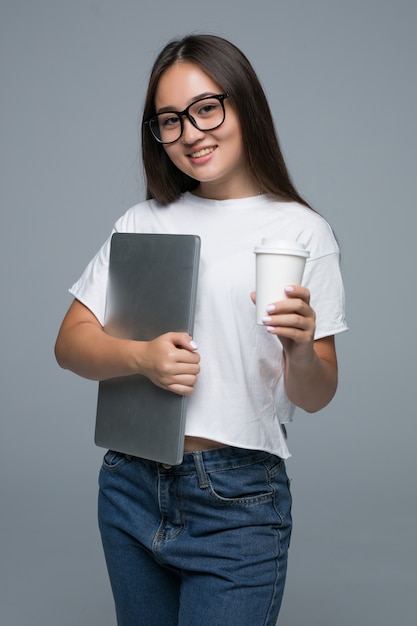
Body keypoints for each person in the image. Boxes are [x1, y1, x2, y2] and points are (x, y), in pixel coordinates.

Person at [55, 33, 347, 626]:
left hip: (238, 499)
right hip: (130, 485)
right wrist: (141, 359)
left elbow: (316, 396)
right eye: (169, 120)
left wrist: (299, 348)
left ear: (243, 106)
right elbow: (69, 344)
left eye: (206, 108)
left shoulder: (303, 231)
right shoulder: (143, 221)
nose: (191, 133)